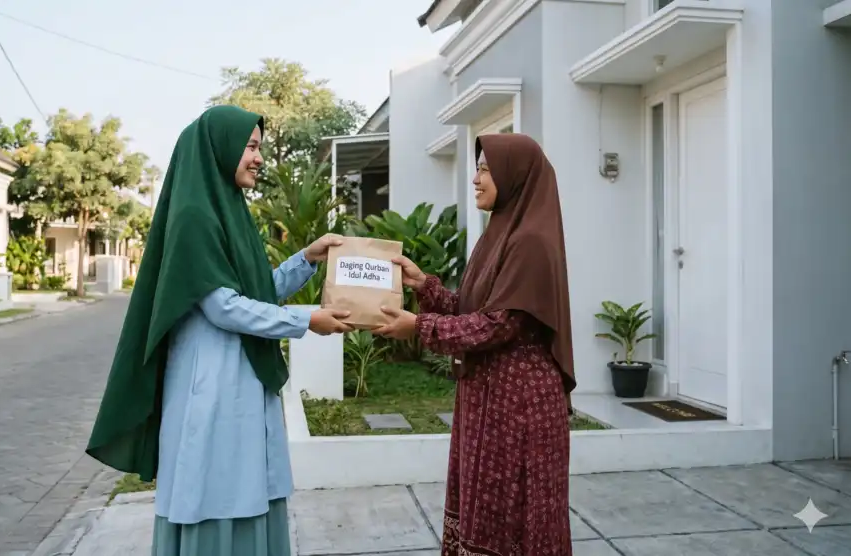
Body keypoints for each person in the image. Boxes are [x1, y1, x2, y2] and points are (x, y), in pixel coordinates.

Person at [85, 105, 351, 556]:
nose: (258, 158)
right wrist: (307, 320)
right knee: (218, 490)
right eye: (250, 147)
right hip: (211, 386)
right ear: (220, 148)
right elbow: (223, 306)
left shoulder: (227, 210)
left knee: (244, 485)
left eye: (259, 148)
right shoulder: (194, 216)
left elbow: (255, 290)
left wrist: (307, 258)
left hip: (238, 381)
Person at [372, 133, 575, 555]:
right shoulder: (500, 234)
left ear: (514, 176)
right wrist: (424, 285)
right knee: (484, 512)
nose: (477, 179)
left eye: (486, 169)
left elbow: (497, 326)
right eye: (478, 168)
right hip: (488, 397)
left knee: (510, 518)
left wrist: (419, 327)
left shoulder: (531, 243)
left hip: (518, 406)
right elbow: (471, 309)